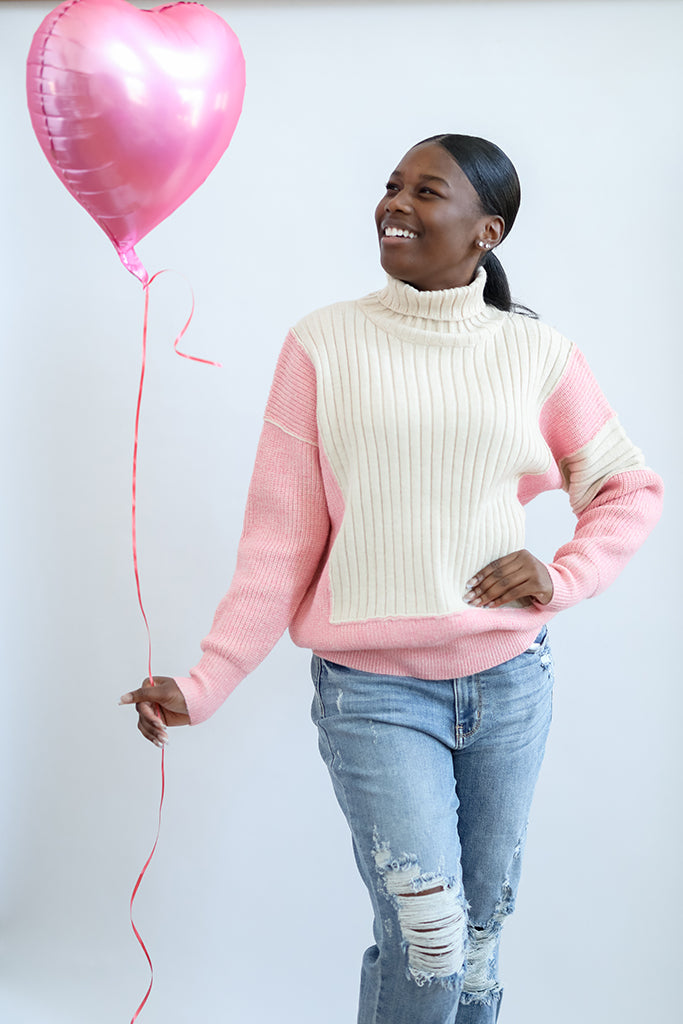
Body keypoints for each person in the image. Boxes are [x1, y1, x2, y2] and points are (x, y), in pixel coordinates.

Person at [120, 134, 663, 1023]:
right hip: (372, 695)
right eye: (390, 186)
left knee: (479, 934)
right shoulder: (323, 345)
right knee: (430, 936)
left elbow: (626, 489)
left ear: (487, 230)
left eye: (426, 191)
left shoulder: (538, 355)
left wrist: (559, 577)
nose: (394, 205)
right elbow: (279, 540)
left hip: (509, 685)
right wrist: (205, 681)